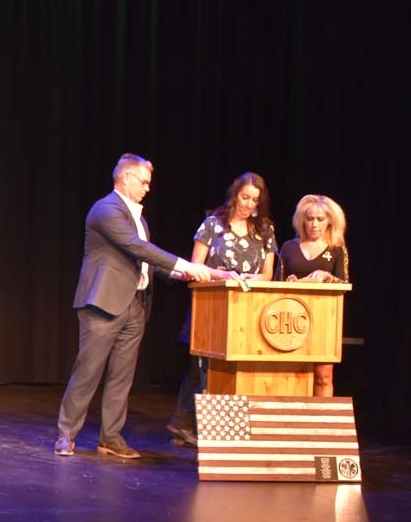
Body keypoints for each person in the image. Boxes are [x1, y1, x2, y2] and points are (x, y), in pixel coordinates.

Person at [55, 154, 218, 460]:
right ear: (126, 177)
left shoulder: (139, 219)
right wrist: (185, 263)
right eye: (143, 182)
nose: (147, 188)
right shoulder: (106, 209)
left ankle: (110, 438)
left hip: (135, 304)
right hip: (103, 304)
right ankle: (66, 434)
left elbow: (144, 261)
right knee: (88, 371)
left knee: (122, 376)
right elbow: (136, 247)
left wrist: (177, 272)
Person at [166, 172, 277, 445]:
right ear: (234, 195)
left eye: (254, 200)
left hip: (247, 309)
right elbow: (194, 268)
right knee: (202, 366)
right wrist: (222, 276)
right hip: (212, 304)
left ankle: (207, 427)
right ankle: (189, 423)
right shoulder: (213, 225)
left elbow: (268, 273)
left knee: (234, 368)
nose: (249, 204)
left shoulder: (264, 229)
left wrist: (253, 279)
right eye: (245, 197)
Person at [279, 194, 350, 397]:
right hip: (291, 319)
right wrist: (288, 283)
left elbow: (344, 284)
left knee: (323, 376)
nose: (314, 224)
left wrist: (327, 277)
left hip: (324, 320)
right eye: (310, 219)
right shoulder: (288, 247)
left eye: (320, 219)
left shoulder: (337, 249)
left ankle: (322, 426)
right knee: (292, 375)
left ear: (330, 221)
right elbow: (274, 285)